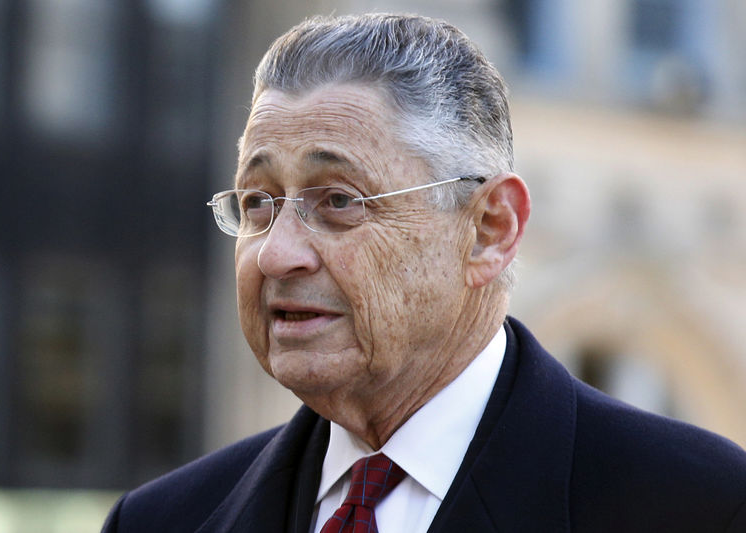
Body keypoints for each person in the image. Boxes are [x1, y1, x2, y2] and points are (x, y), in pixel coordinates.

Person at [102, 13, 746, 533]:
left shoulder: (701, 505)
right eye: (257, 204)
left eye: (338, 201)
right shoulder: (162, 520)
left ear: (490, 229)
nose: (276, 254)